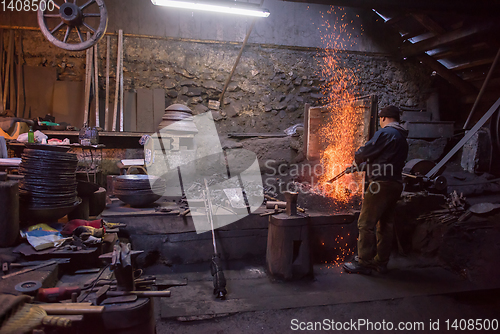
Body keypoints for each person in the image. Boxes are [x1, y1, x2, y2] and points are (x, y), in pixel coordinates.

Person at [343, 105, 408, 275]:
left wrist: (357, 161)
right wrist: (362, 167)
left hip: (380, 185)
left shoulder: (386, 133)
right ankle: (381, 262)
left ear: (384, 118)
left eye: (380, 119)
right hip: (395, 184)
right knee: (385, 224)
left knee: (365, 224)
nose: (380, 122)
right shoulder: (401, 136)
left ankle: (364, 263)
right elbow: (386, 161)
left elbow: (365, 151)